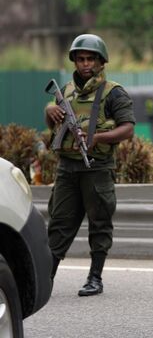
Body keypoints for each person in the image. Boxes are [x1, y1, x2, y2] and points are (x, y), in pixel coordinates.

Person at [45, 34, 135, 296]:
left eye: (91, 59)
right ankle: (46, 276)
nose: (85, 64)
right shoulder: (66, 91)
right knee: (59, 222)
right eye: (81, 59)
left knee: (99, 221)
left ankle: (95, 277)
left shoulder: (114, 93)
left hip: (97, 167)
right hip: (67, 168)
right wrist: (49, 111)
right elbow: (56, 126)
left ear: (101, 62)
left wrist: (98, 138)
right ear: (74, 61)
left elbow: (127, 129)